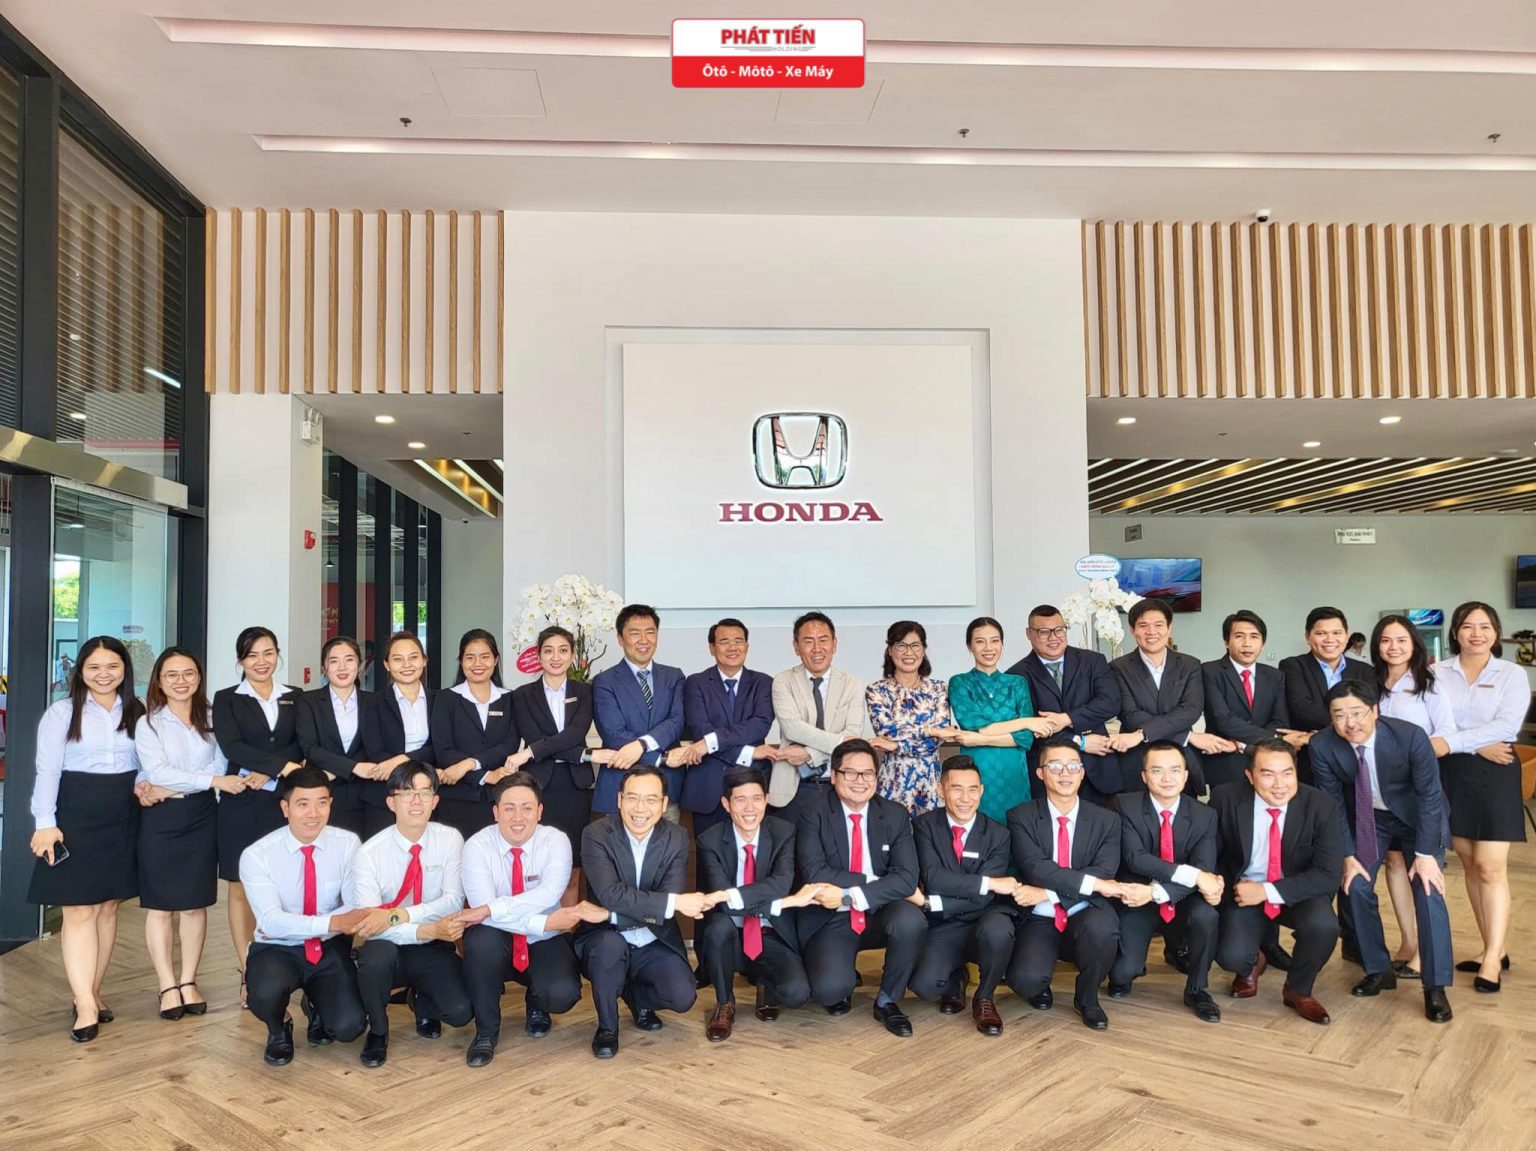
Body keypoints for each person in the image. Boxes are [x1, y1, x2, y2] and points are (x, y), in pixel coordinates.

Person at [1310, 682, 1454, 1024]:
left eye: (1357, 713)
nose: (1350, 723)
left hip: (1417, 818)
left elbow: (1430, 796)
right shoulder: (1322, 745)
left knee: (1428, 888)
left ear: (1374, 710)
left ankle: (1435, 986)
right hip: (1369, 818)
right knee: (1356, 885)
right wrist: (1347, 855)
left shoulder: (1409, 736)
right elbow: (1332, 804)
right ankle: (1378, 969)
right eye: (1339, 716)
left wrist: (1425, 853)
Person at [27, 636, 144, 1042]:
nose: (103, 674)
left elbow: (145, 763)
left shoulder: (138, 710)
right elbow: (47, 770)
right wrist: (45, 822)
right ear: (80, 671)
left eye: (112, 666)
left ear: (124, 670)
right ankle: (85, 1004)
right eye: (94, 667)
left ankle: (92, 992)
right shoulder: (62, 712)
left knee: (108, 907)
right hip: (74, 814)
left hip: (124, 812)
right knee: (78, 910)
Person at [135, 647, 244, 1022]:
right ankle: (167, 985)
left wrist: (180, 784)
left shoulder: (212, 717)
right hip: (161, 818)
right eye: (171, 675)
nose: (181, 681)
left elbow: (222, 763)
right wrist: (206, 780)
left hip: (202, 814)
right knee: (161, 906)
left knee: (196, 904)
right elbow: (156, 771)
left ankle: (188, 981)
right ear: (159, 681)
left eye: (188, 674)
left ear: (199, 678)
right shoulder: (149, 723)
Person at [460, 773, 597, 1067]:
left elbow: (549, 895)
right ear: (496, 812)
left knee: (562, 994)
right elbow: (485, 912)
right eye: (509, 808)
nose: (518, 817)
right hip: (498, 935)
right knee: (480, 943)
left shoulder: (556, 841)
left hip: (543, 940)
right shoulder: (476, 846)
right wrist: (543, 923)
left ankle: (537, 1003)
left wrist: (492, 909)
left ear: (540, 811)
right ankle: (486, 1031)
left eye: (526, 808)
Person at [346, 762, 475, 1067]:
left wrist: (397, 915)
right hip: (387, 945)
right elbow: (371, 924)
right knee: (375, 960)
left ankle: (422, 1000)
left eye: (424, 793)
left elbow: (453, 902)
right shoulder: (368, 854)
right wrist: (425, 928)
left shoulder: (450, 839)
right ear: (391, 803)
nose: (416, 801)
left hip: (432, 945)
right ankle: (378, 1030)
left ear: (435, 801)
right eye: (407, 793)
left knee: (461, 1012)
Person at [797, 737, 927, 1037]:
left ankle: (888, 1000)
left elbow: (907, 878)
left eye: (868, 773)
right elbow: (815, 872)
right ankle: (842, 977)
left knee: (910, 920)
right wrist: (875, 881)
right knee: (829, 990)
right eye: (850, 773)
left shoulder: (894, 814)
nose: (860, 781)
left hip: (878, 910)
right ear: (834, 776)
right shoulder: (812, 812)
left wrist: (850, 893)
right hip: (832, 915)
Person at [238, 766, 369, 1065]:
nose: (313, 813)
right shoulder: (257, 855)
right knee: (265, 994)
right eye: (303, 804)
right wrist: (332, 921)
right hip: (277, 947)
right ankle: (278, 1027)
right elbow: (271, 921)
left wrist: (329, 924)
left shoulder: (347, 843)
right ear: (285, 808)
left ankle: (316, 1004)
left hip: (328, 946)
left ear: (331, 804)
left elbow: (356, 905)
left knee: (349, 1027)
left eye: (321, 803)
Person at [1434, 601, 1529, 993]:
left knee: (1491, 867)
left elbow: (1506, 726)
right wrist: (1475, 744)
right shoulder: (1436, 672)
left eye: (1485, 626)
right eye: (1468, 626)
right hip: (1453, 773)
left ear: (1496, 632)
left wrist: (1457, 742)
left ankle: (1491, 960)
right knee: (1471, 864)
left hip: (1496, 770)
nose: (1476, 634)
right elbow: (1434, 723)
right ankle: (1494, 946)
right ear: (1455, 632)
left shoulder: (1511, 673)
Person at [1212, 739, 1342, 1025]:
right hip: (1243, 892)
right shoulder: (1225, 798)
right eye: (1268, 774)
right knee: (1231, 957)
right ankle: (1254, 960)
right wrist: (1222, 887)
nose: (1279, 784)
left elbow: (1328, 874)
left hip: (1297, 891)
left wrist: (1267, 891)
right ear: (1250, 776)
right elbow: (1214, 855)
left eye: (1287, 773)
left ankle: (1298, 989)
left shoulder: (1322, 806)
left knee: (1323, 926)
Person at [577, 765, 701, 1058]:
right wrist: (668, 904)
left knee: (683, 996)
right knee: (609, 947)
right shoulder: (596, 834)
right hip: (606, 937)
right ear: (619, 800)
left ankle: (635, 997)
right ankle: (607, 1028)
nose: (640, 808)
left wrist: (612, 914)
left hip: (652, 935)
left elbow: (668, 898)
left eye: (650, 799)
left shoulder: (677, 837)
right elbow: (611, 894)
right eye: (632, 798)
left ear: (664, 804)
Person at [212, 626, 305, 1009]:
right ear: (240, 661)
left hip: (284, 804)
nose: (261, 662)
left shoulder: (296, 697)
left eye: (268, 653)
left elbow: (302, 742)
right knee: (240, 888)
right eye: (252, 655)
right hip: (242, 803)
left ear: (278, 655)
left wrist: (272, 772)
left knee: (286, 885)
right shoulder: (226, 699)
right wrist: (277, 766)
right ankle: (248, 970)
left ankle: (289, 966)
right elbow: (231, 746)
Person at [1006, 737, 1124, 1030]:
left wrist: (1048, 893)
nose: (1065, 773)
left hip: (1085, 908)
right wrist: (1091, 884)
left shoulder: (1107, 820)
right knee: (1025, 981)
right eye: (1055, 766)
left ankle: (1087, 998)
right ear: (1040, 773)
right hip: (1040, 916)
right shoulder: (1020, 816)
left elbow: (1104, 871)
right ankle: (1040, 981)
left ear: (1082, 772)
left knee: (1102, 930)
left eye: (1073, 766)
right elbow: (1036, 868)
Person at [695, 766, 817, 1041]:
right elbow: (725, 901)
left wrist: (733, 896)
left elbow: (781, 884)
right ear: (726, 804)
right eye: (740, 800)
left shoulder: (783, 832)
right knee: (718, 928)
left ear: (766, 800)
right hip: (730, 932)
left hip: (770, 930)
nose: (750, 808)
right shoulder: (710, 840)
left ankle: (766, 984)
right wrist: (781, 903)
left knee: (797, 994)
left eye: (757, 798)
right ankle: (724, 1002)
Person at [1109, 741, 1225, 1023]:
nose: (1167, 778)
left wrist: (1156, 892)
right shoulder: (1123, 805)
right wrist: (1196, 876)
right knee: (1122, 974)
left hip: (1179, 897)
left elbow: (1204, 866)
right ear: (1144, 776)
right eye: (1157, 770)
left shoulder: (1204, 815)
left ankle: (1197, 989)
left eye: (1175, 770)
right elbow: (1135, 858)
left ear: (1185, 776)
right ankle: (1133, 965)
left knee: (1207, 915)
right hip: (1136, 899)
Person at [910, 756, 1025, 1036]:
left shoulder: (998, 834)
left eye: (973, 789)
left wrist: (931, 902)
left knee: (999, 929)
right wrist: (988, 883)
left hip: (984, 917)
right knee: (924, 987)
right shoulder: (925, 825)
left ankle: (985, 997)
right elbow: (934, 878)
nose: (965, 798)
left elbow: (985, 898)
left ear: (981, 791)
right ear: (941, 790)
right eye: (956, 789)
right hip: (945, 922)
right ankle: (956, 973)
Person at [1371, 614, 1457, 981]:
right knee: (1393, 865)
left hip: (1416, 791)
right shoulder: (1371, 683)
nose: (1393, 647)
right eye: (1386, 640)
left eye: (1401, 640)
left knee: (1422, 869)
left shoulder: (1429, 683)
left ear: (1414, 644)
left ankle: (1426, 952)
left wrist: (1413, 757)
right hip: (1379, 793)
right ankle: (1408, 942)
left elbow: (1446, 732)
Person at [508, 626, 612, 905]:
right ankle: (536, 923)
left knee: (571, 866)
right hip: (537, 786)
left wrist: (531, 752)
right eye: (549, 651)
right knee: (535, 864)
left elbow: (574, 734)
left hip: (574, 787)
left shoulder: (585, 691)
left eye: (563, 650)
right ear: (539, 656)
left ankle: (567, 927)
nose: (556, 657)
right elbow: (533, 735)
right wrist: (586, 755)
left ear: (573, 655)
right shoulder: (522, 695)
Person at [1006, 604, 1122, 804]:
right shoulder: (1016, 676)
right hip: (1049, 774)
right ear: (1029, 634)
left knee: (1100, 822)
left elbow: (1110, 703)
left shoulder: (1092, 661)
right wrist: (1079, 742)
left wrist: (1067, 719)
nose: (1054, 637)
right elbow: (1028, 728)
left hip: (1098, 770)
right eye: (1044, 632)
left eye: (1059, 630)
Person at [943, 617, 1053, 823]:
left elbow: (1026, 739)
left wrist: (980, 739)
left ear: (1002, 644)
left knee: (1018, 828)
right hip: (977, 770)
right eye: (980, 641)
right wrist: (1026, 722)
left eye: (995, 641)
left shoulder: (1017, 683)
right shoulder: (960, 682)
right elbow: (975, 726)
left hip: (1014, 772)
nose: (988, 648)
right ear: (969, 646)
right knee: (978, 830)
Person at [679, 619, 780, 839]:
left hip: (752, 783)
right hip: (708, 788)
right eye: (725, 642)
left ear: (747, 646)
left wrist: (711, 743)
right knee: (709, 855)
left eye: (738, 641)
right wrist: (748, 752)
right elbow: (700, 729)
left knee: (753, 855)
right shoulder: (696, 683)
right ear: (712, 648)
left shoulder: (764, 683)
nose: (732, 647)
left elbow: (760, 724)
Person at [1109, 598, 1221, 795]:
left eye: (1158, 625)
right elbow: (1129, 714)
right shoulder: (1117, 667)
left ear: (1169, 627)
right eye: (1143, 625)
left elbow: (1191, 710)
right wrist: (1187, 736)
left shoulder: (1190, 665)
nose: (1151, 632)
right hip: (1136, 761)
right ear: (1132, 629)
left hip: (1180, 759)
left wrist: (1141, 734)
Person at [771, 611, 869, 821]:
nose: (817, 648)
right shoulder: (783, 681)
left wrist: (809, 753)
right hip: (794, 785)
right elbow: (793, 728)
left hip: (840, 784)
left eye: (823, 640)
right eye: (808, 641)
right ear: (796, 647)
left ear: (834, 644)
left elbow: (853, 733)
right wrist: (841, 742)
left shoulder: (852, 684)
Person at [591, 604, 687, 817]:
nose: (644, 640)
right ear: (620, 638)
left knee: (669, 839)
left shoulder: (674, 676)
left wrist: (641, 745)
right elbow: (614, 734)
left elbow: (677, 720)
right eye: (635, 633)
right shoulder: (604, 681)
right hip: (622, 787)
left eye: (650, 632)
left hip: (667, 788)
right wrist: (660, 758)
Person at [429, 629, 519, 836]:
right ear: (461, 661)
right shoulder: (445, 699)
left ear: (496, 660)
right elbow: (443, 750)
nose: (478, 663)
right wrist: (486, 775)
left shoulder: (509, 699)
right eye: (470, 657)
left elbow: (510, 745)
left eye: (485, 657)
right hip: (457, 799)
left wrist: (469, 764)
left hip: (500, 799)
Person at [866, 621, 953, 815]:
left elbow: (938, 740)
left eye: (915, 645)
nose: (909, 652)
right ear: (890, 650)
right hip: (892, 784)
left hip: (930, 785)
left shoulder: (938, 689)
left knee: (932, 833)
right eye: (901, 645)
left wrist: (897, 746)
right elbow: (886, 733)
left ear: (923, 650)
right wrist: (929, 730)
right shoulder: (877, 690)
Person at [1200, 610, 1293, 789]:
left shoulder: (1275, 676)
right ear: (1226, 642)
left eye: (1254, 637)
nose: (1247, 643)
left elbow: (1280, 721)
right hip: (1225, 761)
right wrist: (1272, 738)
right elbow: (1222, 719)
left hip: (1268, 761)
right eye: (1239, 636)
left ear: (1263, 644)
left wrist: (1241, 745)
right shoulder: (1209, 671)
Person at [359, 631, 438, 838]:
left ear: (424, 660)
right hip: (384, 794)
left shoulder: (441, 701)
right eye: (397, 659)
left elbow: (440, 747)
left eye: (413, 657)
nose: (406, 665)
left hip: (430, 793)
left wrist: (401, 759)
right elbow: (375, 752)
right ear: (386, 665)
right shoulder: (372, 703)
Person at [296, 636, 378, 836]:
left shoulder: (375, 702)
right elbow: (310, 748)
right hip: (322, 794)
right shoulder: (308, 701)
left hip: (365, 796)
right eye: (334, 661)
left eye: (349, 659)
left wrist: (339, 770)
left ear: (359, 665)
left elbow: (376, 746)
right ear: (324, 668)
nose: (342, 667)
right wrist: (353, 768)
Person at [1277, 607, 1374, 768]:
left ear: (1346, 636)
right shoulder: (1293, 666)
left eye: (1337, 633)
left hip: (1356, 757)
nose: (1330, 639)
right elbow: (1302, 711)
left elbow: (1368, 715)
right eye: (1321, 633)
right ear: (1307, 637)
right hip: (1311, 760)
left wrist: (1313, 736)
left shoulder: (1365, 671)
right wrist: (1350, 723)